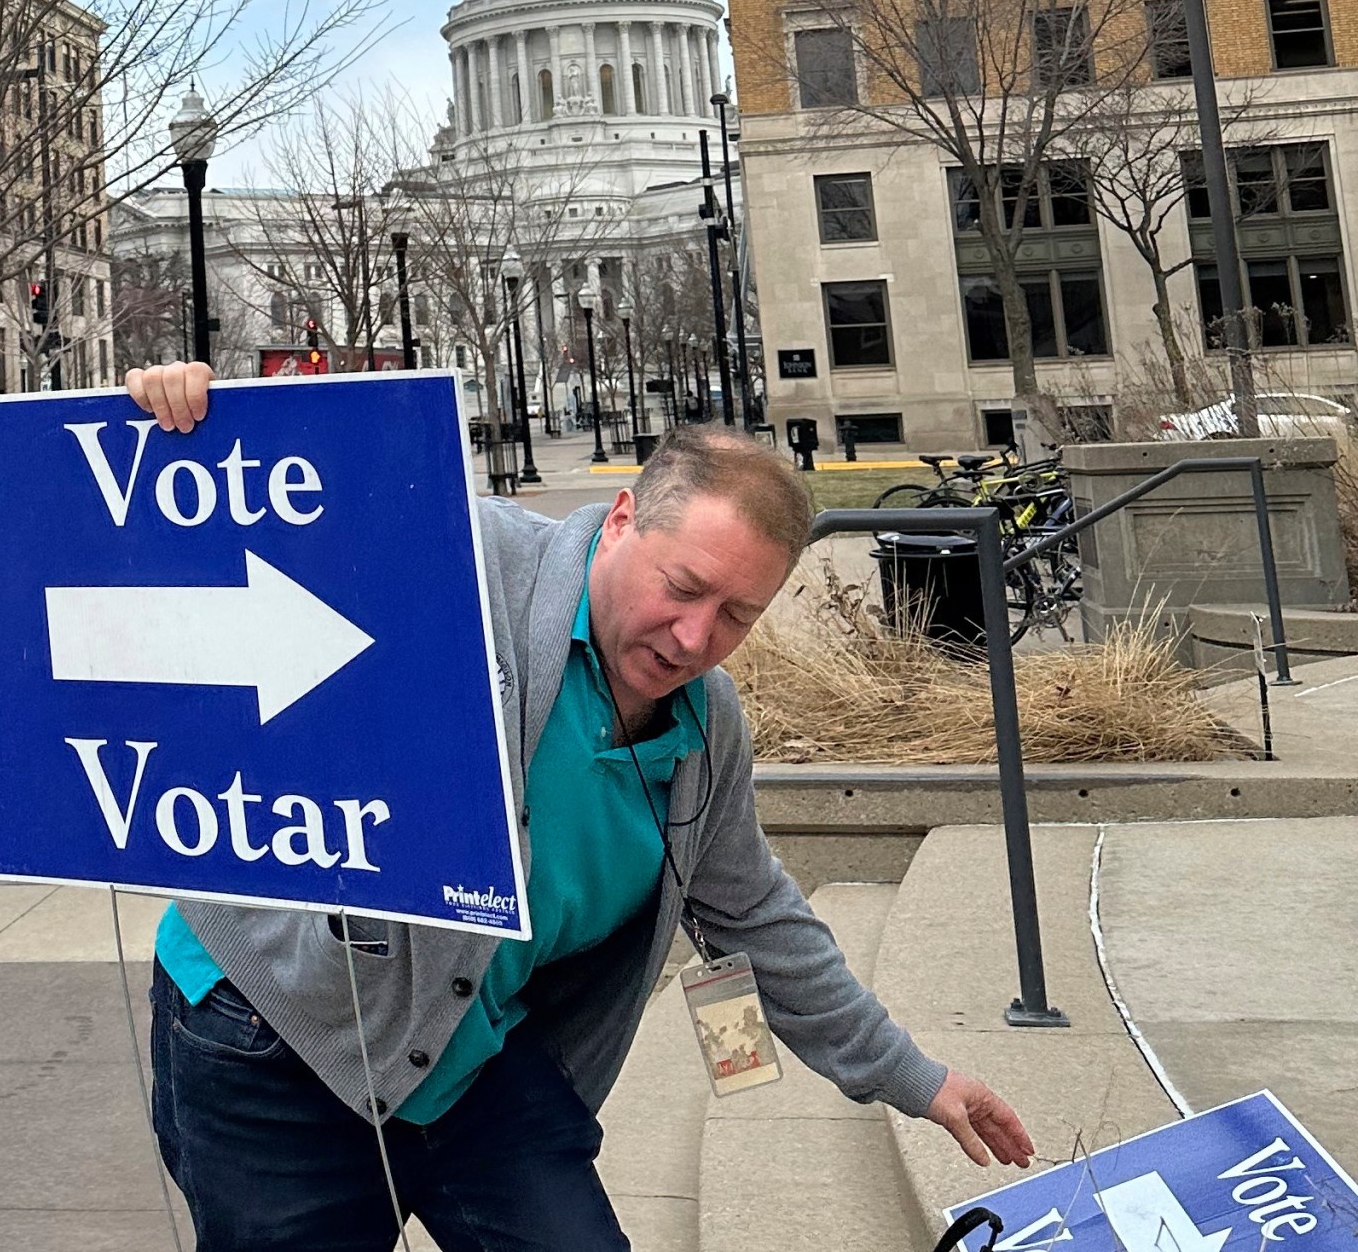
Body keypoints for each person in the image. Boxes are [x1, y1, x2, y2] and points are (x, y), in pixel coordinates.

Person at [122, 361, 1032, 1252]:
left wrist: (917, 1078)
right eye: (681, 589)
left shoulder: (706, 728)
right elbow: (255, 536)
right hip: (274, 1019)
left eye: (735, 617)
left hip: (466, 1046)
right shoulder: (463, 557)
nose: (693, 639)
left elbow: (759, 917)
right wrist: (202, 426)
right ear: (622, 519)